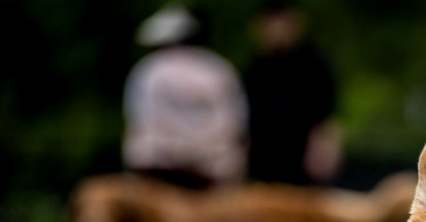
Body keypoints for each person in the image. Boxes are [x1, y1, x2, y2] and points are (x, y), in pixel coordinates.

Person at [122, 4, 249, 188]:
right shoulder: (219, 69)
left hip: (160, 168)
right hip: (212, 169)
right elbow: (235, 122)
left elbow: (141, 118)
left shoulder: (149, 70)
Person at [245, 2, 342, 185]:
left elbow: (326, 117)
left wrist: (324, 148)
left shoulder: (314, 65)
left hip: (303, 161)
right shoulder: (257, 69)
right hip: (264, 161)